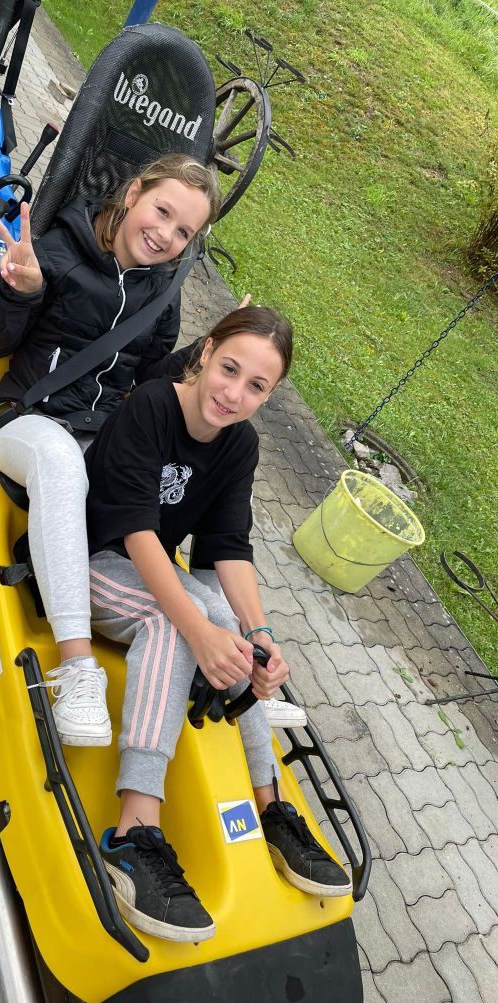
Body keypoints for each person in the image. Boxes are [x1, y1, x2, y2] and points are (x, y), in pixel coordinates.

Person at [84, 306, 352, 943]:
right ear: (205, 352)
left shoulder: (240, 444)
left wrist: (259, 638)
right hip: (89, 562)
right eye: (229, 369)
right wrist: (202, 634)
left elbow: (228, 547)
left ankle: (272, 808)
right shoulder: (153, 407)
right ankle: (133, 831)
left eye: (256, 386)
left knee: (230, 625)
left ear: (270, 395)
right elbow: (138, 533)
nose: (234, 394)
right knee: (180, 623)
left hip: (150, 569)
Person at [0, 154, 220, 746]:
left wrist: (205, 358)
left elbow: (151, 378)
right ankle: (78, 667)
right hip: (28, 418)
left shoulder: (163, 292)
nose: (165, 235)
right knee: (62, 462)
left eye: (183, 230)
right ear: (133, 194)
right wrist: (20, 291)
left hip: (100, 434)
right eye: (162, 211)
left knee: (177, 481)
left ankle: (217, 637)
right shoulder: (60, 249)